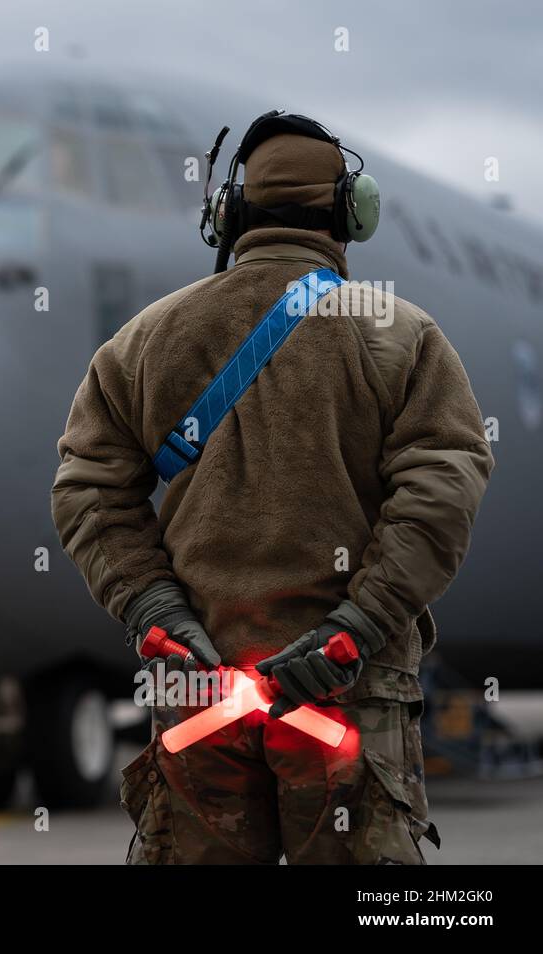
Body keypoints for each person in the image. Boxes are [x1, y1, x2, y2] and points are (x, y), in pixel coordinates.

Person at [50, 112, 493, 864]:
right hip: (342, 696)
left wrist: (158, 614)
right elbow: (441, 492)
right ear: (351, 214)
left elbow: (88, 487)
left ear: (229, 215)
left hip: (202, 695)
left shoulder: (146, 339)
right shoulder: (399, 334)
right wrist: (354, 629)